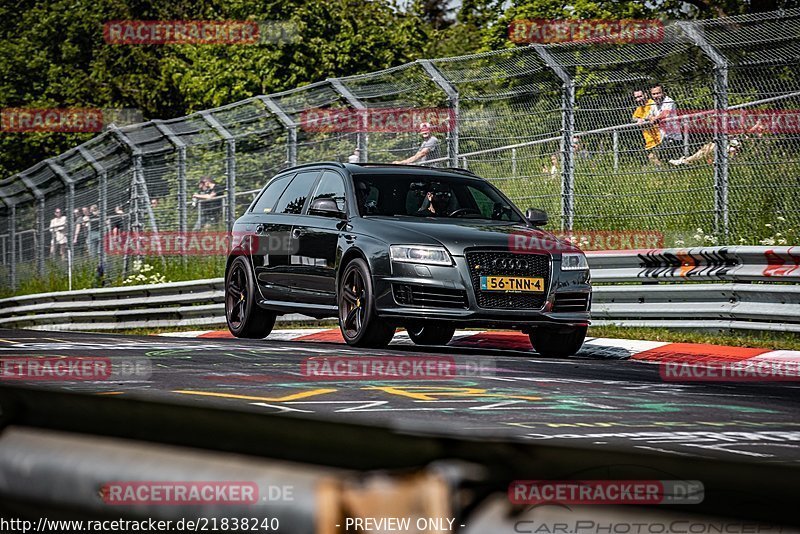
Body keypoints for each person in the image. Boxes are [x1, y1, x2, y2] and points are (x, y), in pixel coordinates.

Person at [648, 85, 683, 160]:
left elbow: (665, 114)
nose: (656, 96)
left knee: (655, 156)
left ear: (663, 93)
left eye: (658, 93)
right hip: (663, 136)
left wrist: (654, 119)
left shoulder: (668, 101)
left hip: (674, 136)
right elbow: (649, 115)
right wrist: (651, 118)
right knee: (668, 159)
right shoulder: (653, 104)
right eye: (654, 94)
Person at [632, 89, 662, 165]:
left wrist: (643, 119)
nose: (638, 99)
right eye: (636, 97)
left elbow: (650, 115)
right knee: (652, 158)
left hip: (659, 136)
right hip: (649, 138)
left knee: (657, 157)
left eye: (640, 96)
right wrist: (639, 119)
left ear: (645, 95)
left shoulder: (651, 103)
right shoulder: (640, 108)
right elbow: (634, 118)